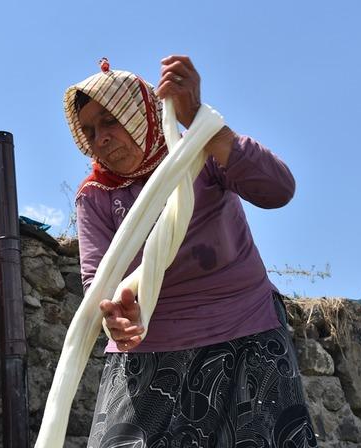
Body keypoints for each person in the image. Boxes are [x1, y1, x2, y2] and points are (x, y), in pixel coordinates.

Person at [64, 55, 317, 446]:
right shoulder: (96, 197)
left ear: (139, 112)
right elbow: (98, 284)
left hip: (244, 334)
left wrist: (200, 119)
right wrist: (115, 317)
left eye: (110, 120)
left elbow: (278, 190)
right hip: (147, 347)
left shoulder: (196, 154)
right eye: (90, 130)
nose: (101, 139)